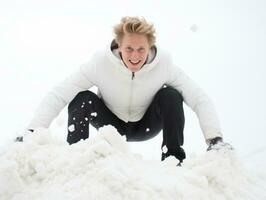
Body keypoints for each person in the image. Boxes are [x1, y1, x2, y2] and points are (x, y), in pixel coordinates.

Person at [19, 16, 230, 164]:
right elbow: (59, 93)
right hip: (111, 123)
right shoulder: (100, 63)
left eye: (141, 49)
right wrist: (32, 131)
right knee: (81, 97)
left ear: (150, 47)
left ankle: (173, 160)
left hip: (146, 124)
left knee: (171, 95)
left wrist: (215, 139)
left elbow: (199, 98)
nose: (135, 56)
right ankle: (76, 158)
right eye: (129, 48)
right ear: (119, 46)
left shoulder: (164, 65)